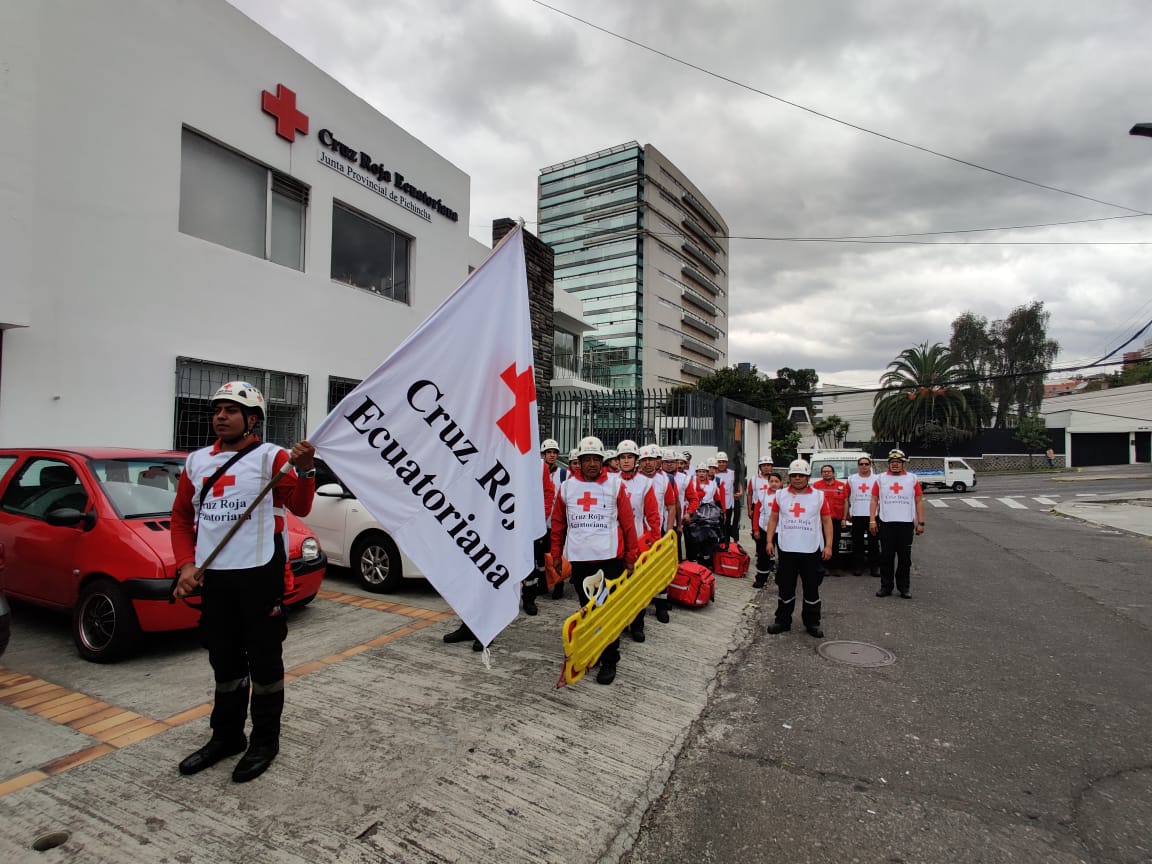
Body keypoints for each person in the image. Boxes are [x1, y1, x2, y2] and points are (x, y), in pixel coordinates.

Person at [171, 381, 316, 783]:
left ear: (252, 420)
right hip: (215, 580)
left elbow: (300, 504)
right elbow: (182, 519)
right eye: (216, 409)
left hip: (259, 575)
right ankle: (227, 736)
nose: (220, 415)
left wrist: (304, 468)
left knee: (265, 662)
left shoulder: (273, 457)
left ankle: (265, 740)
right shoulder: (197, 462)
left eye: (231, 410)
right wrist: (185, 565)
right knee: (225, 662)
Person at [551, 436, 640, 685]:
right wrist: (556, 554)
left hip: (609, 561)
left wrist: (631, 556)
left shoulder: (614, 486)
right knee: (587, 610)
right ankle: (596, 650)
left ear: (602, 461)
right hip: (581, 562)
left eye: (596, 459)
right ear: (578, 461)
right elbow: (558, 525)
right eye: (586, 459)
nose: (591, 463)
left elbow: (628, 524)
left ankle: (610, 659)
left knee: (607, 611)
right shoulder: (567, 488)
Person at [764, 460, 832, 638]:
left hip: (811, 550)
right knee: (785, 587)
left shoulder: (819, 496)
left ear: (807, 476)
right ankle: (783, 621)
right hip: (787, 550)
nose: (797, 478)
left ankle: (812, 623)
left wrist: (829, 545)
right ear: (789, 476)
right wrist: (769, 541)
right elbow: (773, 519)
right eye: (794, 475)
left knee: (811, 588)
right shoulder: (780, 495)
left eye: (801, 475)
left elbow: (826, 521)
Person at [616, 440, 663, 641]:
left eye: (629, 457)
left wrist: (655, 541)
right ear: (617, 460)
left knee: (637, 587)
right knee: (617, 588)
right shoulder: (610, 481)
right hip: (615, 543)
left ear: (636, 460)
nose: (626, 461)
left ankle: (637, 624)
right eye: (622, 457)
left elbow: (653, 516)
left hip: (638, 542)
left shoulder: (645, 483)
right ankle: (618, 623)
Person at [870, 449, 925, 599]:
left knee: (904, 558)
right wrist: (872, 520)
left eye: (898, 462)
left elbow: (919, 501)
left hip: (906, 524)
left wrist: (921, 522)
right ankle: (886, 587)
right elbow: (874, 500)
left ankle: (904, 587)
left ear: (903, 464)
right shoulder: (880, 479)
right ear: (889, 464)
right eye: (892, 462)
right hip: (886, 523)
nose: (895, 465)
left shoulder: (912, 479)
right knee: (886, 557)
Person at [845, 456, 880, 576]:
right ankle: (858, 567)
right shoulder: (851, 479)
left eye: (866, 464)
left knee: (873, 543)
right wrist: (847, 513)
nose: (864, 466)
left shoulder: (878, 479)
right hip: (857, 515)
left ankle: (874, 567)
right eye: (861, 464)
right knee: (857, 543)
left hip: (873, 516)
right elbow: (846, 497)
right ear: (858, 466)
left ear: (870, 465)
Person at [812, 464, 850, 574]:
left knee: (835, 543)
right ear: (821, 473)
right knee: (822, 543)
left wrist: (844, 518)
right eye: (824, 471)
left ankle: (836, 566)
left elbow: (845, 502)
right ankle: (824, 567)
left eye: (828, 471)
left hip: (836, 519)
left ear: (833, 473)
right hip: (821, 520)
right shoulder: (816, 485)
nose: (826, 473)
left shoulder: (841, 486)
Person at [749, 458, 780, 588]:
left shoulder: (784, 495)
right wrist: (755, 529)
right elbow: (756, 513)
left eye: (776, 481)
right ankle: (761, 578)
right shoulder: (762, 495)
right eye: (771, 481)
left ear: (781, 483)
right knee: (763, 555)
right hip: (763, 528)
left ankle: (782, 579)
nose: (773, 483)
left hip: (780, 530)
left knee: (783, 556)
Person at [714, 451, 742, 542]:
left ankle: (726, 543)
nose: (721, 464)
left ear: (726, 463)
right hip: (716, 504)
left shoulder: (732, 473)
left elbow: (738, 484)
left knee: (727, 524)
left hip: (728, 504)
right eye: (719, 462)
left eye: (723, 462)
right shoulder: (712, 473)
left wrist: (740, 492)